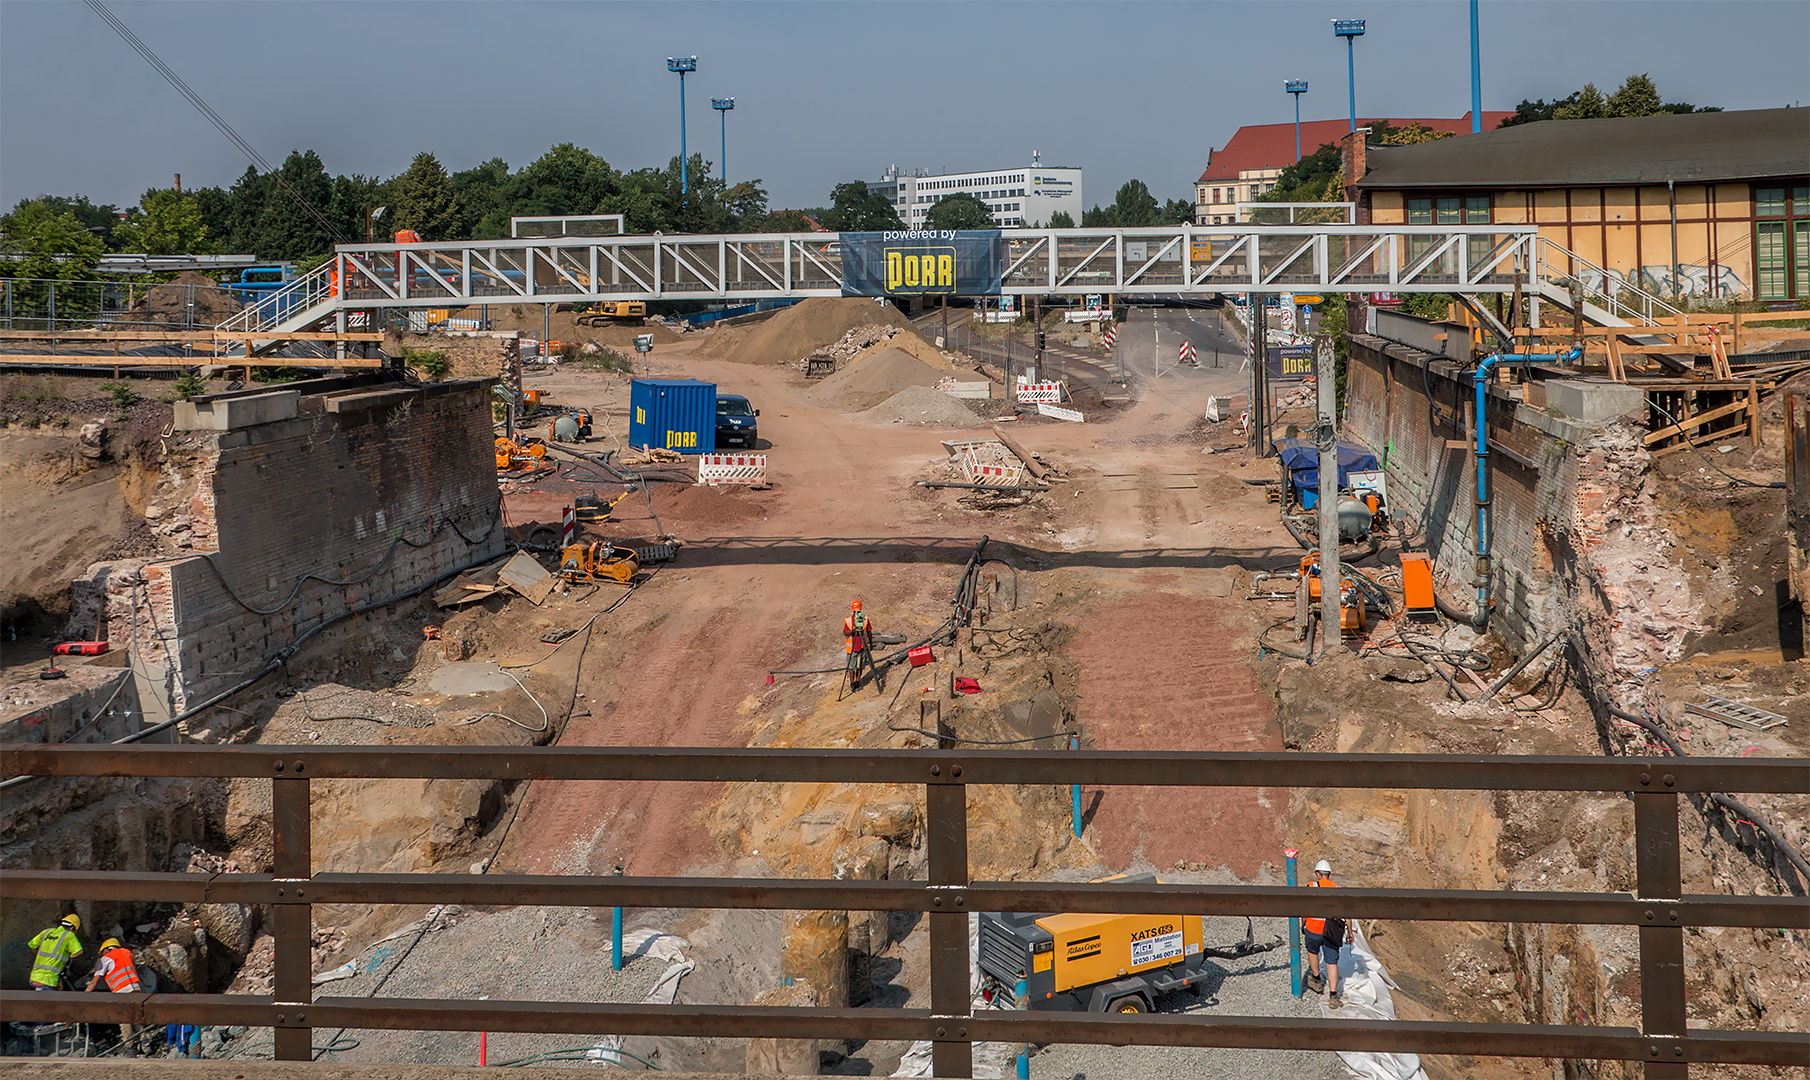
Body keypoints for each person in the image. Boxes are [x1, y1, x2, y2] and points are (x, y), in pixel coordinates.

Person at [84, 936, 143, 1053]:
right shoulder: (126, 953)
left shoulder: (106, 958)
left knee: (124, 1019)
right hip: (136, 988)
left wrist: (84, 996)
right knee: (136, 1016)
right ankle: (145, 1042)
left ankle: (129, 1047)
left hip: (122, 991)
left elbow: (95, 981)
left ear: (106, 950)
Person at [1301, 860, 1345, 1004]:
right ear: (1329, 874)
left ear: (1317, 874)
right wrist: (1349, 932)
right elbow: (1345, 913)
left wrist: (1303, 924)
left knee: (1313, 951)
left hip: (1313, 928)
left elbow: (1304, 909)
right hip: (1331, 931)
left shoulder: (1310, 886)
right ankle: (1333, 996)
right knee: (1331, 962)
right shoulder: (1338, 888)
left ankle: (1317, 980)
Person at [27, 914, 84, 992]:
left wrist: (40, 956)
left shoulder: (47, 931)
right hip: (48, 979)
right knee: (47, 1003)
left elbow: (31, 945)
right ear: (72, 928)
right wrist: (67, 957)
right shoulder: (69, 935)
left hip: (34, 977)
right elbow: (79, 951)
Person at [843, 600, 875, 674]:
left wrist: (871, 643)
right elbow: (845, 633)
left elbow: (869, 632)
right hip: (852, 648)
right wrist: (853, 629)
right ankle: (853, 683)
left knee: (861, 666)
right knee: (851, 667)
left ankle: (857, 681)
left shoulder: (865, 619)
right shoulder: (849, 620)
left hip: (862, 646)